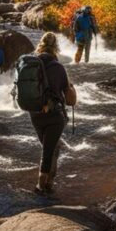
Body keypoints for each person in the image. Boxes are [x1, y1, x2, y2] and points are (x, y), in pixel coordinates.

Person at [30, 32, 77, 194]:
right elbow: (70, 100)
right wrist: (70, 87)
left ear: (40, 44)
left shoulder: (31, 64)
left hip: (35, 114)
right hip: (54, 115)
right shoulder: (58, 67)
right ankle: (41, 185)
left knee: (51, 146)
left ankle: (49, 182)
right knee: (49, 150)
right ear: (56, 46)